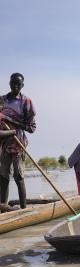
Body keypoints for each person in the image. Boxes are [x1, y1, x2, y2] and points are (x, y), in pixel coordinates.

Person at [0, 73, 36, 209]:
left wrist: (10, 120)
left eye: (18, 84)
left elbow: (32, 128)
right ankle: (3, 209)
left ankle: (23, 209)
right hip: (3, 144)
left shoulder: (26, 102)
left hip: (18, 144)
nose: (15, 86)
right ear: (9, 83)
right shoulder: (2, 100)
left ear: (22, 86)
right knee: (3, 178)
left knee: (18, 177)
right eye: (13, 83)